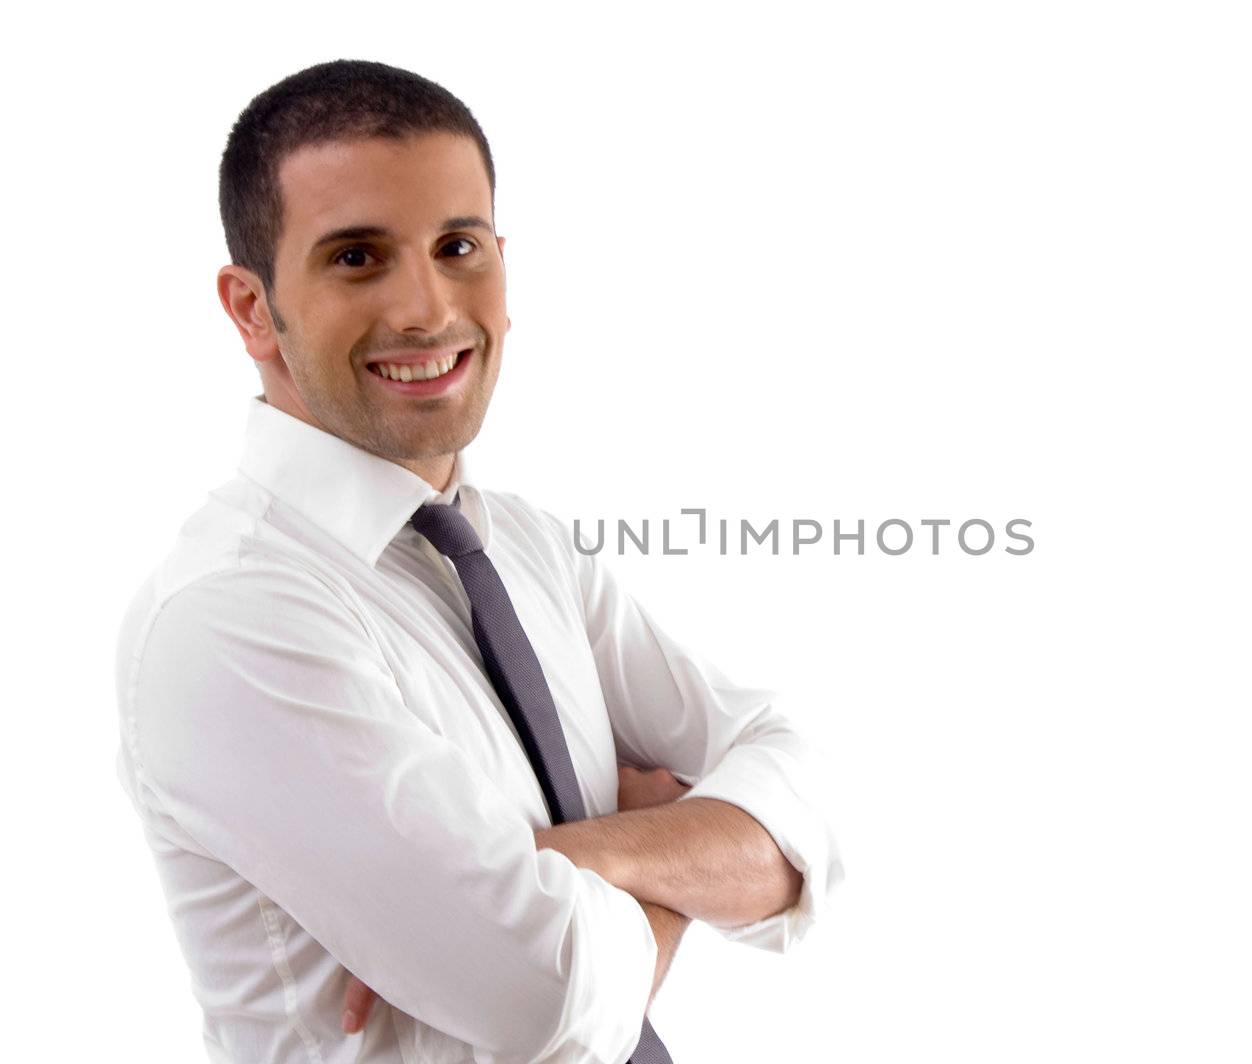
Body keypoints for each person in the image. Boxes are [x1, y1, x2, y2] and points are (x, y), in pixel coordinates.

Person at [113, 58, 844, 1064]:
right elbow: (545, 996)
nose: (426, 307)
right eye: (357, 257)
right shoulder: (234, 616)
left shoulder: (528, 548)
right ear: (250, 308)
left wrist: (568, 860)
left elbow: (806, 798)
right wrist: (690, 859)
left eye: (458, 247)